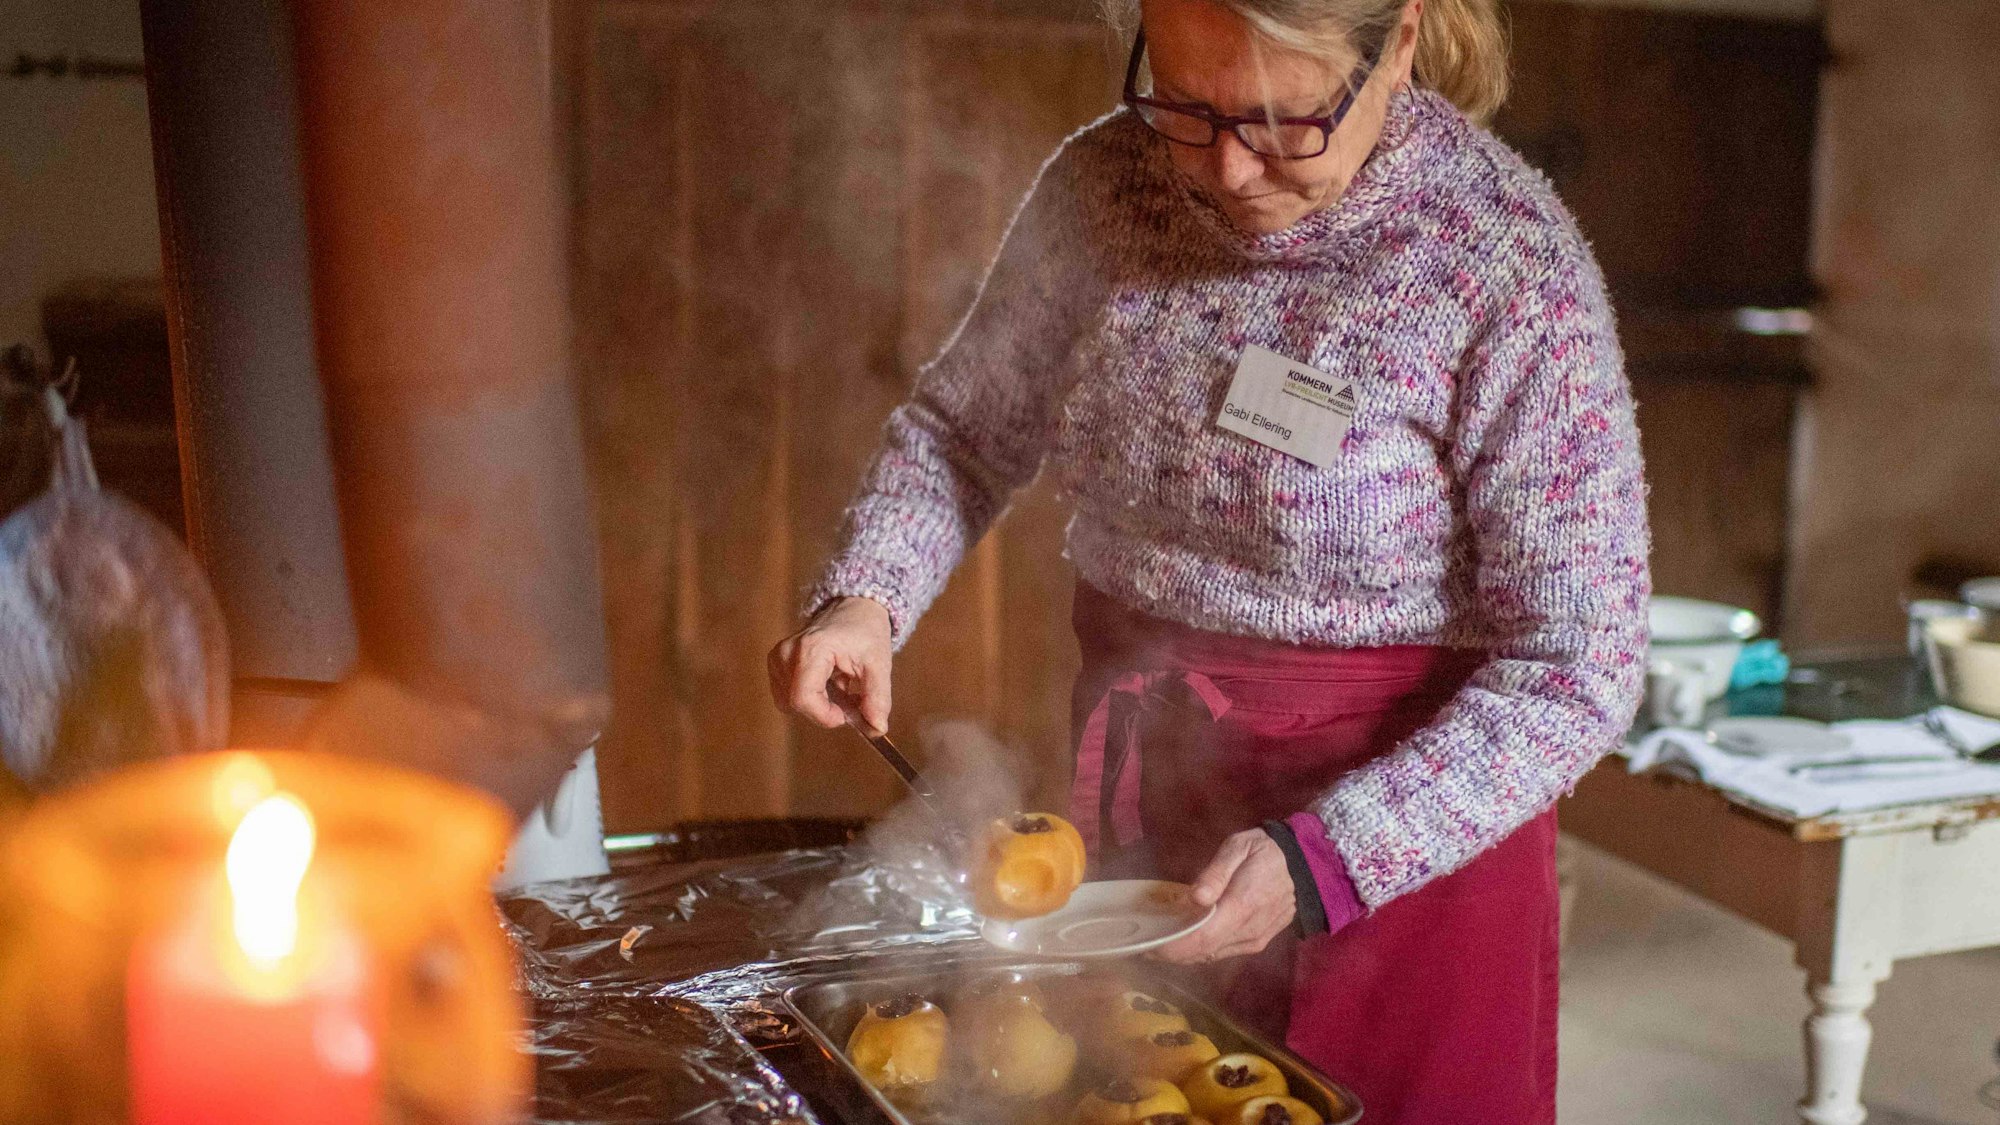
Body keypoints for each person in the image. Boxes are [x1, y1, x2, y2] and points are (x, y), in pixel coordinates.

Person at [769, 0, 1649, 1119]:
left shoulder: (1503, 260)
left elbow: (1578, 663)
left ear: (1399, 45)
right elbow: (962, 430)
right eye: (1186, 105)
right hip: (1155, 809)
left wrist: (1329, 855)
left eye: (1282, 122)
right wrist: (865, 596)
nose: (1227, 170)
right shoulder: (1109, 184)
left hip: (1403, 858)